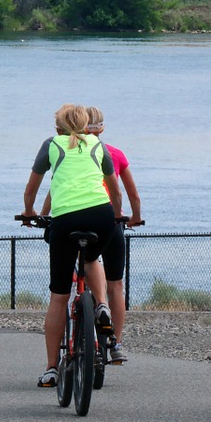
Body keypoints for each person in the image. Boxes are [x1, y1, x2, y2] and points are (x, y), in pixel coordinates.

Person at [21, 104, 123, 388]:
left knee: (58, 296)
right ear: (86, 126)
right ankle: (101, 306)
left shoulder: (51, 145)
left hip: (65, 219)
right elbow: (115, 192)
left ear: (58, 127)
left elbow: (31, 190)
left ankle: (52, 368)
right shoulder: (98, 145)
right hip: (102, 215)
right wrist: (116, 215)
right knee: (91, 259)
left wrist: (29, 213)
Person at [40, 106, 143, 364]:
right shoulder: (111, 152)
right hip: (109, 220)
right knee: (115, 285)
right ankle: (115, 342)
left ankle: (54, 363)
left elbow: (56, 190)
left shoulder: (64, 150)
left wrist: (41, 214)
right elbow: (130, 194)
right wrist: (133, 216)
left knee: (78, 269)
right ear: (100, 128)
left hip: (69, 217)